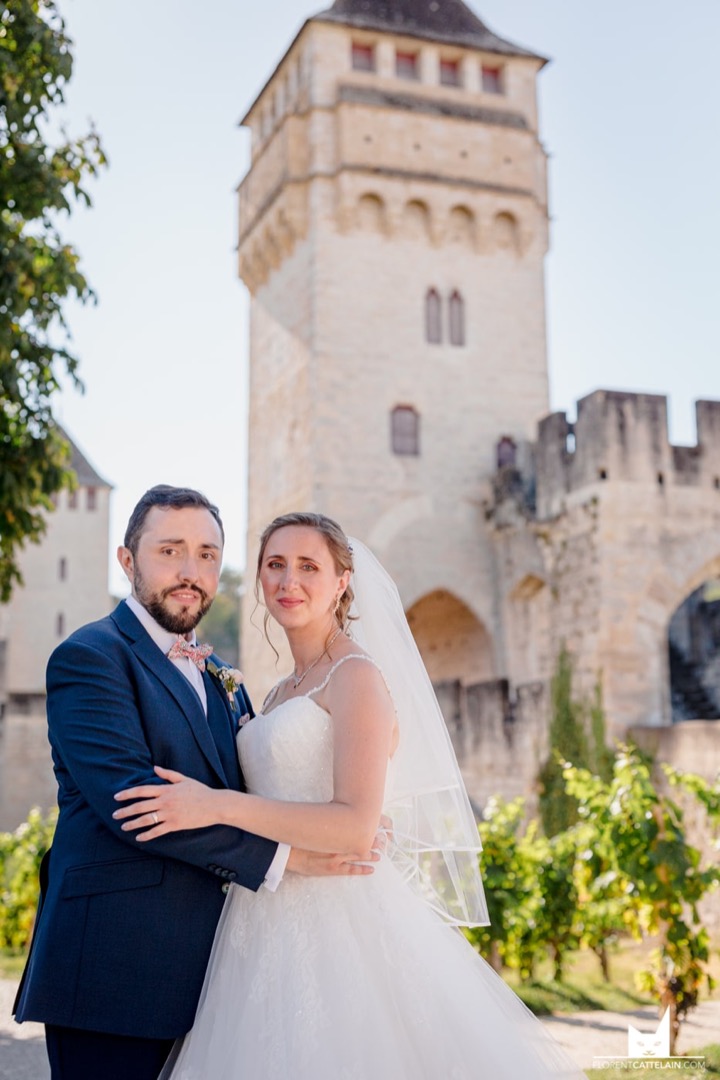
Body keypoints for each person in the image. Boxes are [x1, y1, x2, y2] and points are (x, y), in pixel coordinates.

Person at [115, 512, 588, 1079]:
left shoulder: (356, 675)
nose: (289, 581)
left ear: (342, 581)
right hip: (260, 913)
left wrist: (214, 806)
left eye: (309, 567)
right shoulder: (277, 692)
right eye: (275, 565)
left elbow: (355, 828)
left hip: (340, 919)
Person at [13, 489, 375, 1080]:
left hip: (219, 976)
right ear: (127, 561)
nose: (190, 571)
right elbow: (138, 807)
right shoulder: (90, 657)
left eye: (207, 554)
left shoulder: (220, 677)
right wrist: (287, 858)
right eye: (170, 551)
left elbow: (257, 789)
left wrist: (341, 815)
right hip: (114, 969)